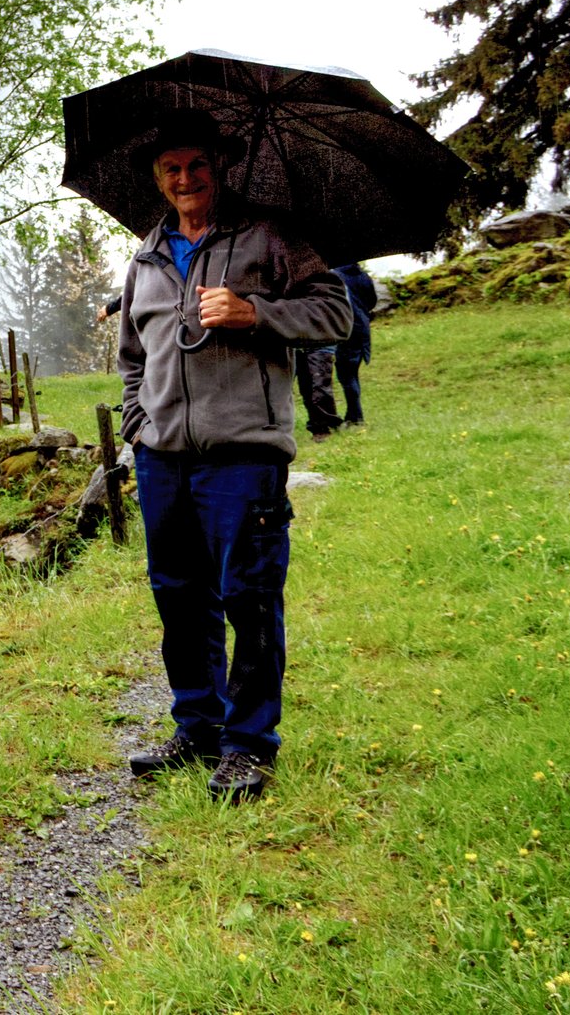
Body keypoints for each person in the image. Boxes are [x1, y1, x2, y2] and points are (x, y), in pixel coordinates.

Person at [116, 115, 353, 802]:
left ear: (218, 167)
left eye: (196, 165)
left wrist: (257, 314)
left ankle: (248, 746)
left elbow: (335, 314)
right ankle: (198, 727)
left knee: (248, 600)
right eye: (171, 170)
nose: (184, 179)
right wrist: (139, 423)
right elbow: (133, 356)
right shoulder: (146, 256)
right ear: (157, 181)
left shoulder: (268, 237)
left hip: (245, 456)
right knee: (179, 598)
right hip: (162, 461)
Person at [332, 263, 377, 427]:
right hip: (362, 330)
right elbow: (372, 302)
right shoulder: (364, 277)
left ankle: (356, 417)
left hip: (346, 329)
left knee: (346, 375)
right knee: (352, 372)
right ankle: (353, 414)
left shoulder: (335, 275)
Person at [295, 345, 340, 441]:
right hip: (297, 345)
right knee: (306, 389)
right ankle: (326, 424)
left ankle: (323, 428)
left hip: (320, 344)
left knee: (319, 387)